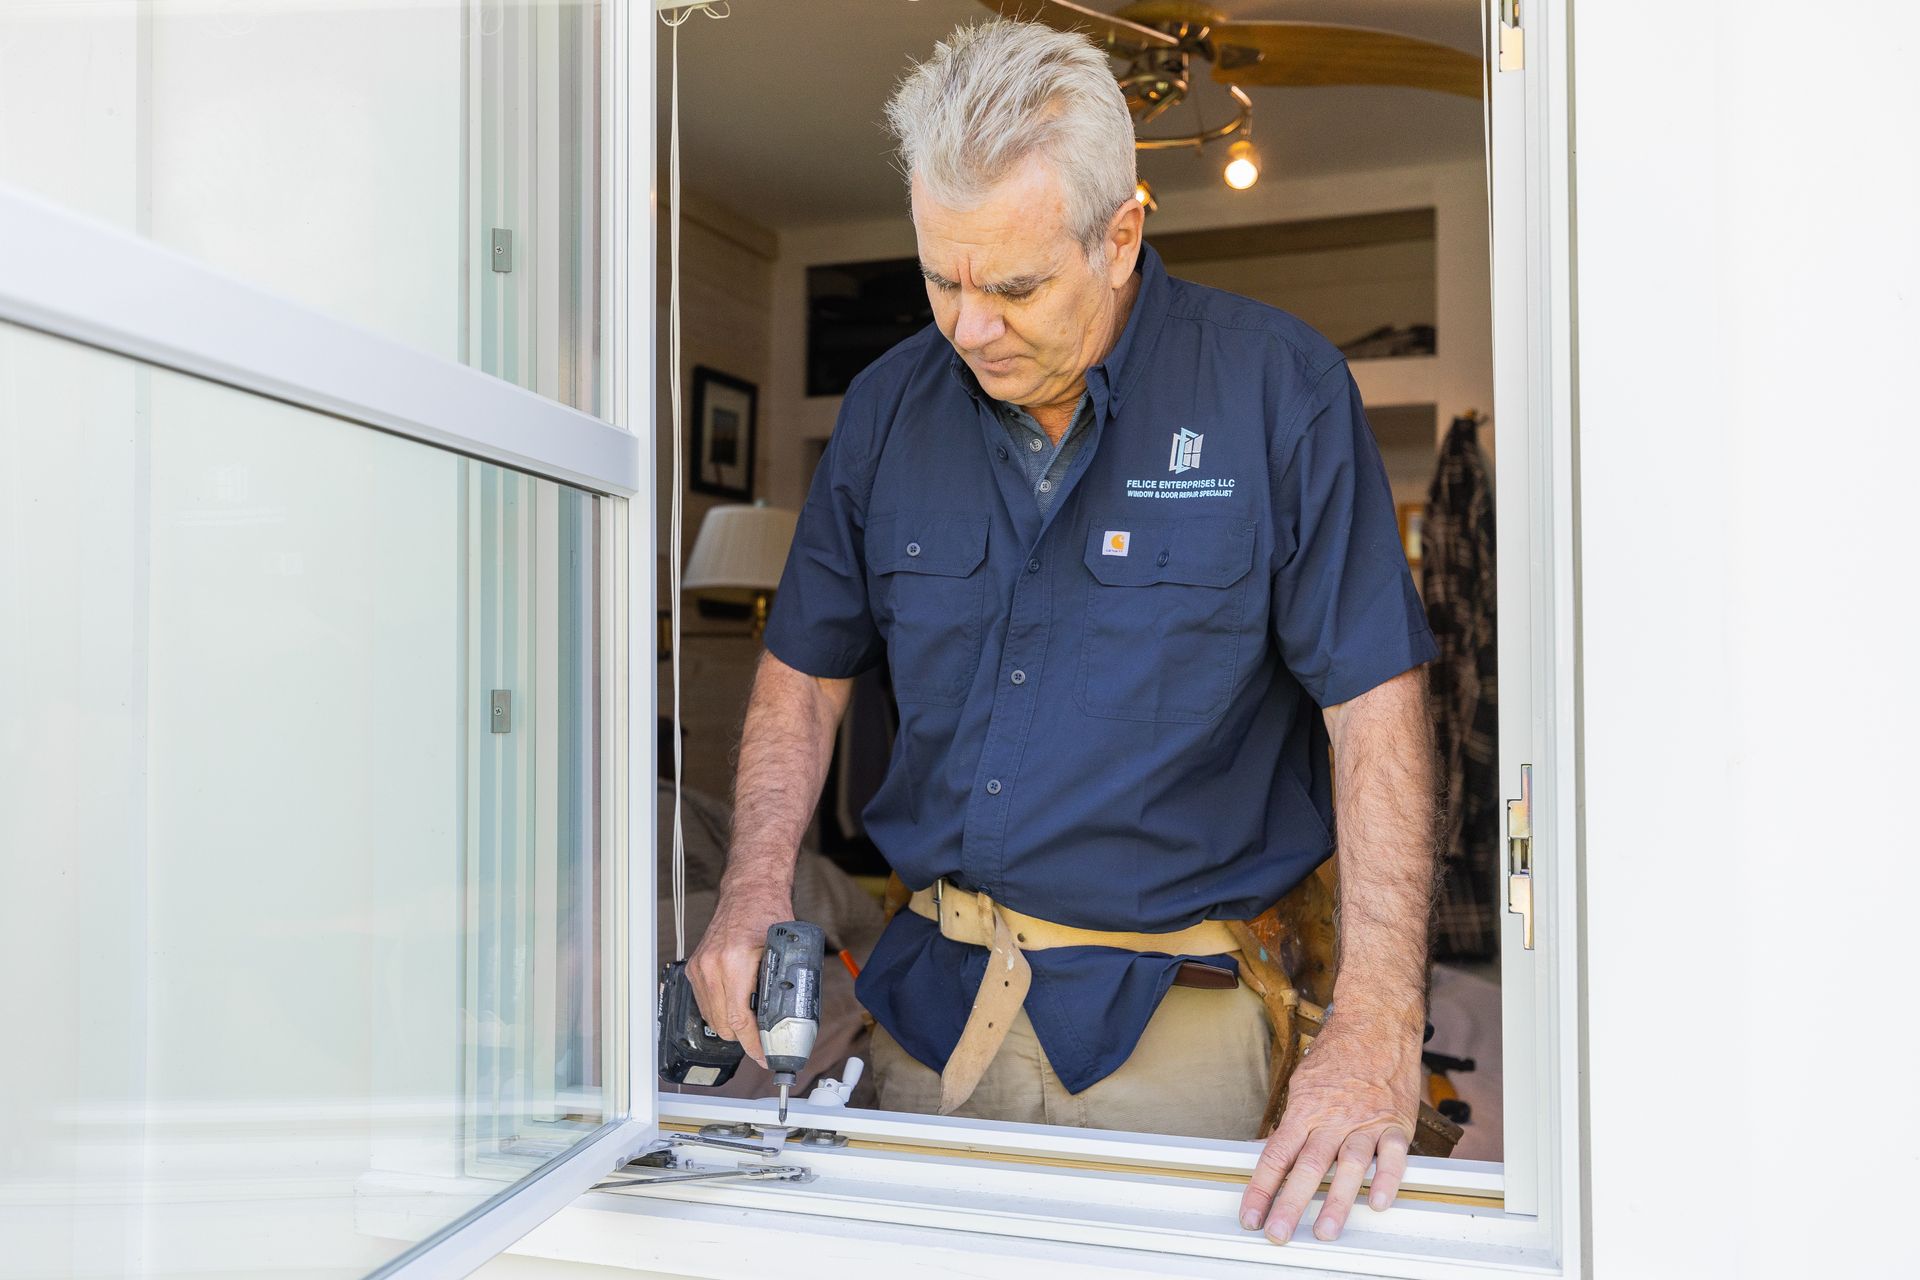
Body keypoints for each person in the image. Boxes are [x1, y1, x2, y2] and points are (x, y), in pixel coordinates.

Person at [687, 19, 1439, 1247]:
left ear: (1121, 234)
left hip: (1179, 1034)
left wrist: (1376, 1020)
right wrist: (753, 882)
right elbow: (804, 672)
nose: (969, 325)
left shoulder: (1277, 393)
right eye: (942, 277)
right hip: (934, 1016)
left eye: (1017, 285)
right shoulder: (883, 413)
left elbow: (1376, 708)